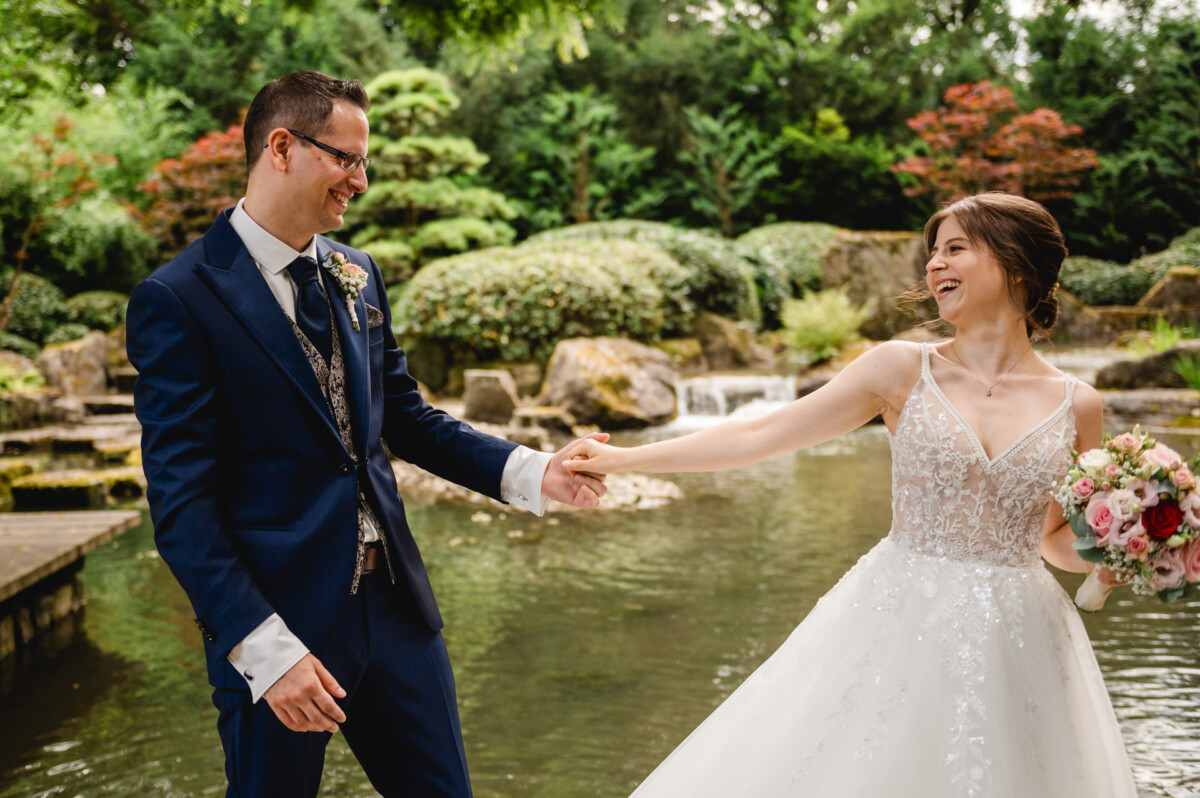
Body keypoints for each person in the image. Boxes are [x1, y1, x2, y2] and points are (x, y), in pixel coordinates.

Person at [126, 71, 607, 798]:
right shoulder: (176, 299)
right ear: (281, 147)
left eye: (364, 160)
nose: (363, 179)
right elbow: (182, 505)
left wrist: (534, 471)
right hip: (278, 626)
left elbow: (406, 418)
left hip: (396, 612)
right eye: (346, 158)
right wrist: (265, 650)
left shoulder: (359, 273)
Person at [565, 192, 1138, 797]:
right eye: (933, 253)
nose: (935, 266)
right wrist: (625, 458)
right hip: (899, 616)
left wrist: (1114, 556)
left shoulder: (1079, 404)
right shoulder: (899, 368)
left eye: (956, 249)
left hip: (1020, 635)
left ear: (1017, 263)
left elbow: (1055, 539)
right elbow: (761, 433)